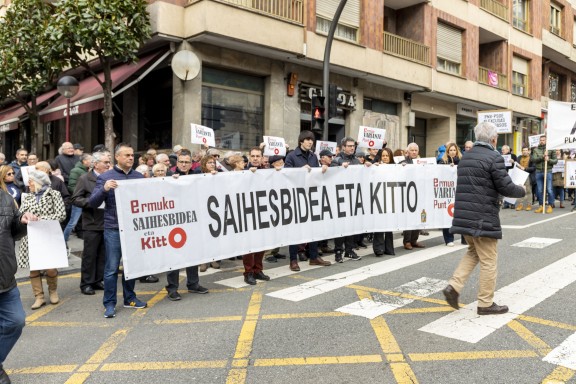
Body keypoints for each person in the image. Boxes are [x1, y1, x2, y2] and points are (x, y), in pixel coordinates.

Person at [443, 122, 525, 315]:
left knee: (473, 252)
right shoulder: (494, 157)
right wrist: (521, 189)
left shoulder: (467, 156)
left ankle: (453, 286)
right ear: (494, 139)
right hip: (483, 217)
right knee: (489, 260)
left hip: (465, 215)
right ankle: (485, 303)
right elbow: (506, 187)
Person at [89, 143, 148, 318]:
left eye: (132, 155)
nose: (131, 158)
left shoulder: (138, 176)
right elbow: (92, 202)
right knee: (111, 268)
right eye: (127, 155)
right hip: (114, 228)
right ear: (117, 157)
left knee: (131, 266)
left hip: (133, 229)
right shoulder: (106, 177)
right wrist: (104, 188)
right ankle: (109, 303)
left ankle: (129, 298)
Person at [0, 188, 37, 384]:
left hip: (5, 277)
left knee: (15, 321)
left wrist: (23, 220)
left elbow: (14, 232)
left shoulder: (5, 197)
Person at [18, 170, 67, 309]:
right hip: (31, 236)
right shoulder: (27, 196)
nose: (28, 183)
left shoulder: (54, 194)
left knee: (50, 267)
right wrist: (25, 217)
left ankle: (53, 291)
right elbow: (21, 214)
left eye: (31, 180)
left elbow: (61, 215)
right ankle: (39, 297)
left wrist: (40, 219)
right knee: (34, 268)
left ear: (39, 181)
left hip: (49, 235)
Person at [164, 150, 209, 301]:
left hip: (192, 220)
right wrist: (171, 182)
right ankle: (172, 288)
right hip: (174, 221)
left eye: (186, 162)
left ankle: (193, 284)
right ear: (176, 163)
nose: (183, 164)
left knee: (193, 253)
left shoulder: (196, 175)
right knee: (174, 256)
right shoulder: (169, 176)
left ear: (191, 163)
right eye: (181, 162)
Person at [284, 130, 331, 270]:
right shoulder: (291, 156)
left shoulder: (313, 156)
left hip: (310, 196)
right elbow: (286, 175)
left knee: (313, 227)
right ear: (301, 141)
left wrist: (321, 169)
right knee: (294, 229)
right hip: (295, 197)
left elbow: (315, 175)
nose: (310, 142)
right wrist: (299, 170)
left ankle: (314, 256)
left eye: (312, 140)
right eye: (308, 139)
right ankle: (293, 260)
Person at [71, 151, 110, 295]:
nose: (108, 165)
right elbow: (75, 199)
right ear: (96, 164)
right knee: (89, 255)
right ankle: (86, 283)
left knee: (103, 254)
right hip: (92, 222)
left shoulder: (110, 177)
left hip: (107, 221)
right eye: (105, 162)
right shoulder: (85, 178)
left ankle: (97, 280)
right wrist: (92, 202)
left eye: (108, 162)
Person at [400, 143, 426, 250]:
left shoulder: (422, 162)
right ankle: (407, 241)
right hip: (408, 193)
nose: (414, 152)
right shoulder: (403, 162)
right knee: (409, 218)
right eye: (412, 150)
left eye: (416, 150)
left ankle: (414, 240)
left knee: (418, 216)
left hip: (420, 192)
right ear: (408, 152)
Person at [63, 153, 92, 242]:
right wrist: (80, 194)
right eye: (91, 160)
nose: (93, 162)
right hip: (78, 200)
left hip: (86, 200)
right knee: (73, 222)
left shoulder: (88, 170)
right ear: (84, 161)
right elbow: (71, 186)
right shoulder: (76, 170)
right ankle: (63, 241)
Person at [372, 148, 396, 256]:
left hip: (391, 199)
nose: (385, 158)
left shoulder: (396, 167)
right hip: (379, 198)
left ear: (390, 157)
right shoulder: (376, 167)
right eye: (383, 156)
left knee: (389, 225)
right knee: (379, 224)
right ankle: (378, 249)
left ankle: (389, 248)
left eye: (387, 156)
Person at [437, 143, 462, 246]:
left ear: (457, 151)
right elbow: (439, 174)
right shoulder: (442, 161)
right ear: (447, 152)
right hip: (447, 192)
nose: (452, 152)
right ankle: (449, 239)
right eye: (450, 150)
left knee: (461, 215)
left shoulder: (461, 161)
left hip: (459, 191)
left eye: (454, 150)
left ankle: (464, 238)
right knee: (447, 215)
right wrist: (447, 167)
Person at [531, 135, 557, 214]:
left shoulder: (551, 149)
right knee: (539, 190)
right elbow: (534, 160)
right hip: (538, 172)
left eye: (543, 140)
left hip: (548, 171)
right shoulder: (535, 150)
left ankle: (550, 205)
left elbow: (555, 161)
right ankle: (541, 206)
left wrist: (548, 160)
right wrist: (542, 157)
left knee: (549, 189)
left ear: (546, 141)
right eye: (541, 140)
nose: (542, 141)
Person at [515, 146, 535, 211]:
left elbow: (533, 168)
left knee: (529, 191)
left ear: (528, 151)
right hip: (520, 175)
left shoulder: (532, 158)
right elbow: (516, 165)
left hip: (528, 175)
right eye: (523, 150)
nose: (525, 151)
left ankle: (529, 204)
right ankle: (520, 204)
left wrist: (525, 169)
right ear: (522, 151)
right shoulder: (519, 157)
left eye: (526, 150)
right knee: (520, 190)